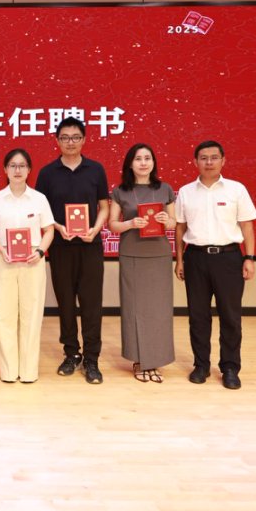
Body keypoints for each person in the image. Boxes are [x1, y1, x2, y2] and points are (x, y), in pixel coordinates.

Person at [175, 140, 256, 390]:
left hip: (229, 258)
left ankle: (230, 367)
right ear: (195, 162)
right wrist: (179, 259)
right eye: (203, 158)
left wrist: (249, 258)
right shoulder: (186, 192)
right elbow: (180, 228)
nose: (209, 162)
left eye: (214, 157)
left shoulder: (236, 189)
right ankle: (201, 365)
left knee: (230, 316)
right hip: (196, 258)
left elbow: (247, 226)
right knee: (198, 316)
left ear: (223, 160)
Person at [34, 117, 110, 384]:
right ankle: (71, 354)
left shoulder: (96, 169)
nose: (70, 142)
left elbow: (104, 206)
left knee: (91, 304)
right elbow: (41, 212)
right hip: (60, 246)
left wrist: (95, 229)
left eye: (75, 137)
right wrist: (58, 227)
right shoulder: (47, 173)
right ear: (57, 140)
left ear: (84, 140)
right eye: (65, 138)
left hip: (90, 246)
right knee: (65, 303)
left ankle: (92, 359)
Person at [0, 148, 54, 383]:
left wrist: (40, 251)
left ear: (29, 169)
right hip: (3, 259)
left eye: (22, 165)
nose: (17, 170)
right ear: (5, 169)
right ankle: (8, 370)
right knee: (5, 315)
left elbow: (49, 230)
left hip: (33, 261)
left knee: (31, 315)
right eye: (12, 165)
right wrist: (1, 248)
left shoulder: (39, 199)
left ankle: (28, 371)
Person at [108, 143, 176, 383]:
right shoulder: (120, 191)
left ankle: (154, 360)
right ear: (130, 163)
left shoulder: (165, 189)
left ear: (153, 163)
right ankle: (139, 361)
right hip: (132, 254)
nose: (143, 163)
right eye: (138, 159)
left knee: (159, 310)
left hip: (159, 255)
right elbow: (112, 225)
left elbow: (174, 223)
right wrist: (130, 224)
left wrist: (166, 220)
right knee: (134, 309)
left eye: (148, 158)